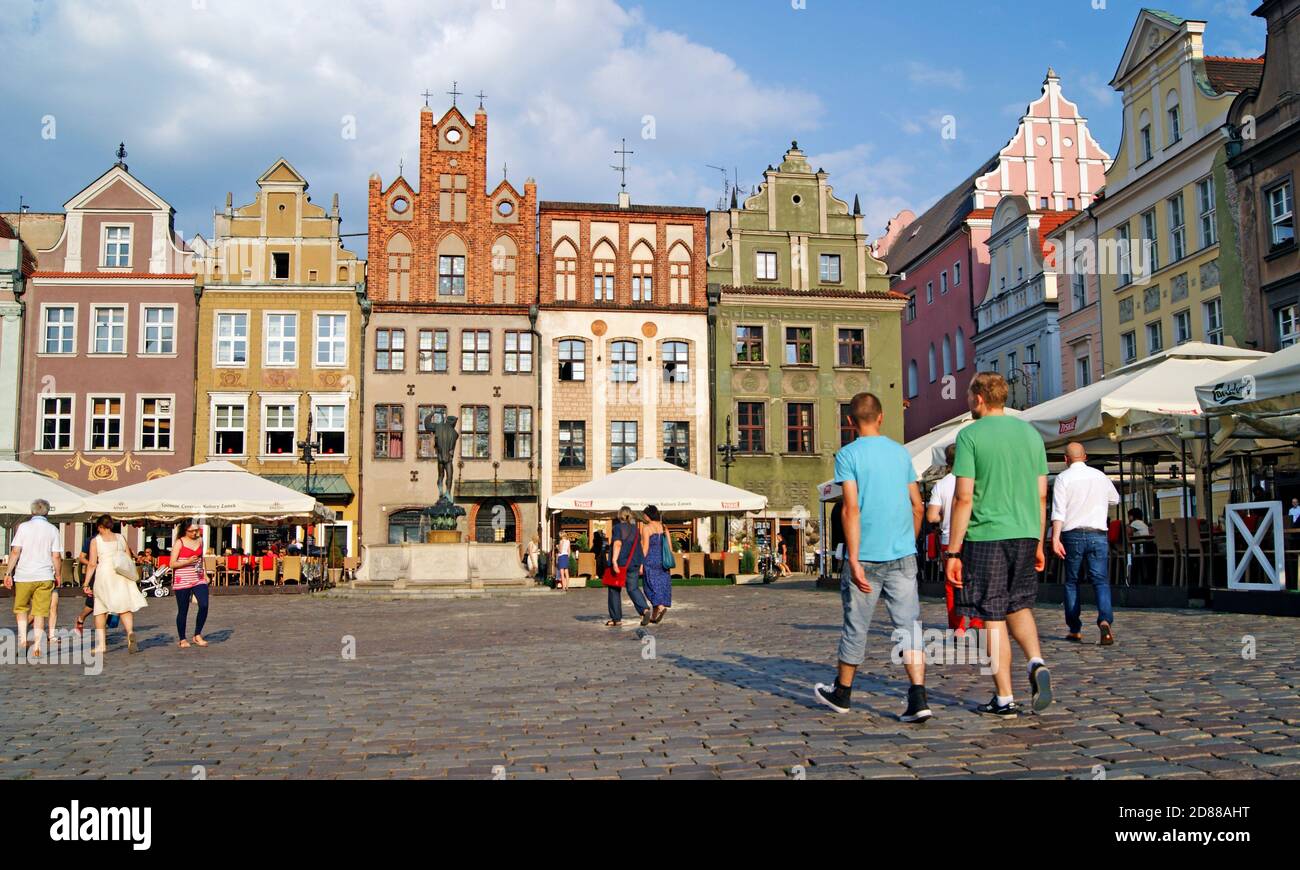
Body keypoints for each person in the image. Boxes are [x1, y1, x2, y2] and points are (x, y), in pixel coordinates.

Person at [814, 392, 931, 723]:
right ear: (881, 417)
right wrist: (910, 538)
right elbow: (917, 504)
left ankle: (843, 692)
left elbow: (850, 507)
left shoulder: (848, 456)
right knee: (909, 627)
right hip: (903, 554)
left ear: (850, 422)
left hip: (865, 556)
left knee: (857, 625)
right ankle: (918, 696)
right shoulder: (900, 454)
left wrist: (852, 557)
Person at [945, 372, 1053, 718]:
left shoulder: (969, 436)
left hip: (986, 535)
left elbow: (963, 497)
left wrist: (953, 551)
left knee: (992, 616)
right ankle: (1036, 661)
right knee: (1019, 605)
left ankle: (1004, 697)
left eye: (967, 396)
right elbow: (1041, 493)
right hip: (1024, 532)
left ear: (978, 399)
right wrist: (1039, 540)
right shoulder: (1030, 434)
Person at [1051, 442, 1120, 645]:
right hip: (1098, 533)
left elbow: (1058, 511)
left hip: (1072, 534)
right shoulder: (1100, 476)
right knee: (1100, 580)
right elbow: (1114, 500)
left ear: (1066, 459)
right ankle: (1105, 620)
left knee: (1072, 581)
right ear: (1086, 456)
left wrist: (1055, 538)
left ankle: (1075, 628)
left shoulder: (1063, 478)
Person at [927, 442, 982, 634]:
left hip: (949, 541)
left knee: (952, 586)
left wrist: (944, 516)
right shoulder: (976, 480)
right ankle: (976, 623)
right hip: (974, 537)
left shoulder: (940, 485)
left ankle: (957, 628)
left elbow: (932, 517)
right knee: (976, 581)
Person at [4, 499, 63, 659]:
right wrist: (58, 574)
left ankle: (23, 640)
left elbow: (15, 551)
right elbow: (56, 555)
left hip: (24, 575)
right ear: (47, 512)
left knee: (21, 608)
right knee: (40, 612)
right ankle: (37, 645)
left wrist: (8, 573)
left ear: (32, 512)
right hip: (44, 575)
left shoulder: (23, 527)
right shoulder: (52, 529)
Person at [84, 514, 148, 655]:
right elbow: (128, 557)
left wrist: (86, 582)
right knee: (124, 606)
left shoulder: (96, 541)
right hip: (120, 574)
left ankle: (102, 645)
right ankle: (130, 632)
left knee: (100, 609)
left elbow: (92, 564)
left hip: (104, 574)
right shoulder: (120, 538)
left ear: (100, 526)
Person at [606, 507, 651, 627]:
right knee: (633, 588)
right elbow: (639, 547)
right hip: (634, 562)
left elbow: (617, 544)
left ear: (619, 515)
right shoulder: (635, 530)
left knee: (614, 589)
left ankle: (616, 619)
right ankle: (644, 610)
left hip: (621, 563)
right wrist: (641, 564)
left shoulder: (617, 528)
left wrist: (614, 561)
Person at [169, 518, 209, 649]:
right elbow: (172, 564)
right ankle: (182, 638)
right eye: (192, 531)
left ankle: (197, 634)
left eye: (196, 530)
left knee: (204, 604)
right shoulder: (179, 543)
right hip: (182, 579)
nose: (195, 533)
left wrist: (206, 573)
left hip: (198, 577)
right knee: (183, 610)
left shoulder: (200, 540)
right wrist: (187, 561)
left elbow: (202, 559)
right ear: (185, 531)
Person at [639, 506, 672, 624]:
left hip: (650, 560)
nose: (643, 516)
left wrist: (641, 564)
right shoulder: (664, 527)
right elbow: (669, 547)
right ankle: (654, 615)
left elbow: (645, 547)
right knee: (660, 586)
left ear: (648, 515)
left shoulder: (646, 528)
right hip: (663, 561)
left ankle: (661, 607)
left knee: (649, 586)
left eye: (644, 514)